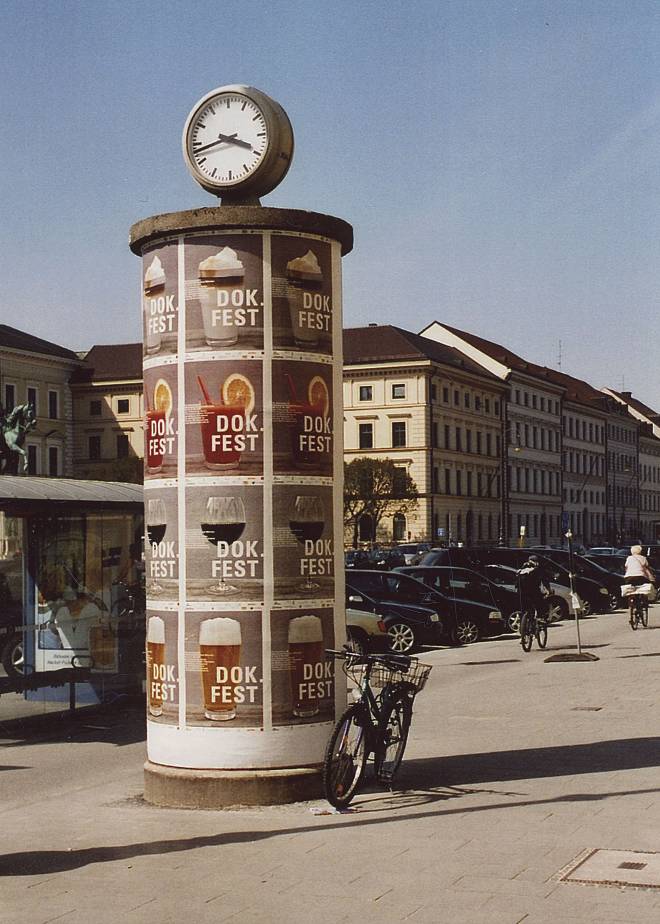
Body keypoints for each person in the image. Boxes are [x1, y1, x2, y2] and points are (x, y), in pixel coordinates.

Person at [623, 545, 655, 616]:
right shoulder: (643, 558)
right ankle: (642, 602)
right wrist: (651, 577)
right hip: (640, 576)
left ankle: (631, 602)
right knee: (642, 587)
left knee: (632, 589)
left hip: (629, 577)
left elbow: (626, 567)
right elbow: (647, 568)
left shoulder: (629, 558)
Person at [517, 555, 551, 621]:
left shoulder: (522, 568)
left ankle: (523, 620)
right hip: (534, 591)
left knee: (524, 607)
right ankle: (540, 619)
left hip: (521, 591)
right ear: (536, 562)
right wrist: (548, 590)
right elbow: (544, 580)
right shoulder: (538, 568)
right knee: (540, 604)